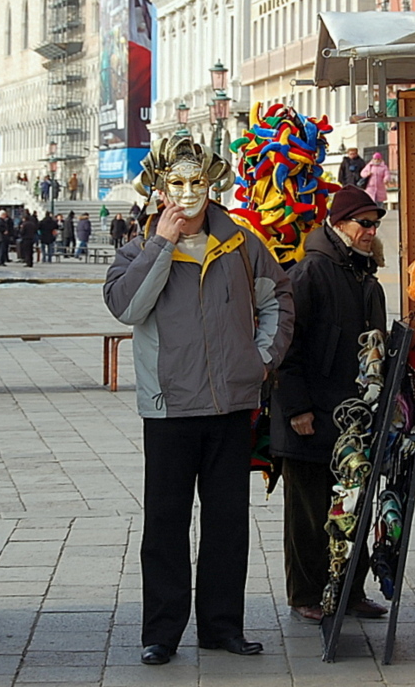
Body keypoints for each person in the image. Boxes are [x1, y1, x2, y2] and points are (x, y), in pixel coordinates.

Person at [104, 133, 294, 667]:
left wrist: (260, 361)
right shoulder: (136, 250)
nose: (188, 195)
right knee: (165, 523)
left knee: (228, 521)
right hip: (170, 409)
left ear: (213, 187)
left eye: (198, 184)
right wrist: (162, 245)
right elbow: (127, 308)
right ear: (160, 188)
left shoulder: (241, 242)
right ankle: (161, 632)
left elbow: (278, 298)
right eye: (177, 184)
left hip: (231, 405)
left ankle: (221, 626)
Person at [271, 185, 390, 624]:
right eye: (364, 223)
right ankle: (306, 593)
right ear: (339, 225)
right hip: (310, 416)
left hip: (352, 417)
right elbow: (286, 344)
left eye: (374, 224)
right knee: (308, 511)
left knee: (353, 503)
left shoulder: (364, 274)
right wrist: (296, 407)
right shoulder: (311, 271)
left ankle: (349, 590)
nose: (370, 231)